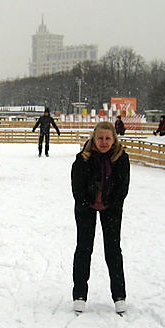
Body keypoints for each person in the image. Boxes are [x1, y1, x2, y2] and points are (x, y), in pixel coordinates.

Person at [70, 121, 130, 314]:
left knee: (113, 250)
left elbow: (123, 188)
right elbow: (77, 188)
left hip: (111, 208)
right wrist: (87, 203)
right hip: (86, 208)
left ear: (114, 140)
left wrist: (110, 203)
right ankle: (79, 294)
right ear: (94, 139)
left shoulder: (121, 159)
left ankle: (119, 296)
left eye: (108, 138)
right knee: (84, 248)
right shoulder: (82, 159)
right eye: (100, 138)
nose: (104, 142)